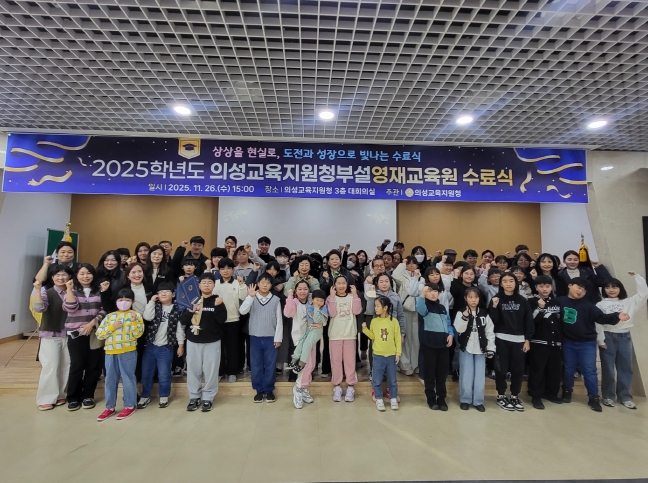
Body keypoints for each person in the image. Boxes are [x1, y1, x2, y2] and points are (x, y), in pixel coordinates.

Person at [558, 277, 628, 411]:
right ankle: (567, 391)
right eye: (578, 287)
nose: (580, 291)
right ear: (570, 285)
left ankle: (593, 397)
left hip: (587, 343)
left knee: (589, 370)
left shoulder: (589, 306)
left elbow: (602, 318)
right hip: (568, 342)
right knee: (568, 369)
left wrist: (616, 316)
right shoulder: (560, 301)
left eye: (583, 290)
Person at [596, 272, 648, 409]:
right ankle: (608, 396)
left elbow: (643, 294)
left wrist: (638, 278)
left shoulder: (628, 302)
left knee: (625, 368)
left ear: (620, 288)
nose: (611, 290)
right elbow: (598, 323)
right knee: (608, 368)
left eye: (615, 287)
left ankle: (625, 397)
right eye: (608, 287)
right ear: (604, 290)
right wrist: (600, 340)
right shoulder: (600, 304)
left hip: (625, 337)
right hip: (608, 336)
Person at [95, 288, 145, 421]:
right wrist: (112, 327)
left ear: (132, 302)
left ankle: (130, 405)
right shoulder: (110, 316)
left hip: (128, 351)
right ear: (116, 301)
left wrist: (134, 322)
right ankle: (109, 407)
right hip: (110, 352)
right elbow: (99, 334)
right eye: (121, 300)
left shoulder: (136, 315)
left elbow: (138, 334)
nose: (123, 302)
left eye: (127, 300)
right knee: (110, 380)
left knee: (128, 379)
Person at [180, 272, 227, 412]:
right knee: (193, 370)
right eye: (204, 282)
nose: (207, 285)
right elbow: (182, 320)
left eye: (210, 282)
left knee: (211, 371)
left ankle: (208, 398)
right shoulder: (192, 300)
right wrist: (191, 311)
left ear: (214, 285)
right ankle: (194, 397)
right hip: (193, 341)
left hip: (212, 341)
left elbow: (222, 320)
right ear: (199, 285)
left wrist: (218, 307)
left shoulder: (217, 300)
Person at [63, 263, 106, 411]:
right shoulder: (72, 290)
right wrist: (69, 289)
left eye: (88, 273)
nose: (85, 276)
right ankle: (73, 397)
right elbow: (70, 308)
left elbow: (104, 309)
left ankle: (88, 396)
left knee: (93, 366)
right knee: (77, 365)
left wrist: (92, 324)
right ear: (76, 275)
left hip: (95, 333)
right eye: (82, 273)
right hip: (76, 334)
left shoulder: (99, 290)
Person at [488, 272, 533, 412]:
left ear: (516, 283)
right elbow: (491, 321)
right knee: (501, 369)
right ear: (501, 284)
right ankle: (501, 395)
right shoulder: (496, 299)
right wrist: (494, 307)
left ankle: (514, 395)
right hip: (501, 339)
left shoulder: (522, 300)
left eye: (511, 281)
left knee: (517, 370)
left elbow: (528, 321)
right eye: (505, 281)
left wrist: (527, 339)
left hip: (519, 340)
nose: (508, 283)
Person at [31, 265, 74, 410]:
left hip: (69, 334)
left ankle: (61, 394)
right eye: (57, 275)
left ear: (70, 277)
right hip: (50, 334)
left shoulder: (73, 292)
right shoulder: (47, 292)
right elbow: (39, 308)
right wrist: (38, 290)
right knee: (51, 366)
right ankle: (46, 398)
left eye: (64, 275)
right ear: (52, 277)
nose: (61, 278)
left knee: (66, 365)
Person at [138, 282, 186, 409]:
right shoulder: (155, 306)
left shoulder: (178, 309)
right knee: (146, 373)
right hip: (150, 345)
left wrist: (181, 345)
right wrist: (151, 302)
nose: (163, 293)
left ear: (173, 294)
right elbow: (147, 317)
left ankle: (164, 395)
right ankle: (145, 395)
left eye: (167, 291)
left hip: (166, 347)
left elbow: (180, 329)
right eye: (160, 292)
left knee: (164, 374)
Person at [240, 273, 283, 403]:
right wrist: (250, 297)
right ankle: (259, 390)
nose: (265, 285)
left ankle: (269, 390)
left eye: (268, 283)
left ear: (271, 285)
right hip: (255, 337)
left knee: (270, 365)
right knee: (256, 365)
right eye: (262, 282)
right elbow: (242, 311)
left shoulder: (275, 300)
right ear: (258, 284)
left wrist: (278, 338)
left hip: (271, 337)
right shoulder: (252, 297)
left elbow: (279, 320)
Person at [454, 287, 495, 412]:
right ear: (465, 299)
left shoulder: (484, 314)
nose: (473, 300)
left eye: (476, 297)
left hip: (480, 349)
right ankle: (465, 400)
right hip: (466, 348)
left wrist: (490, 348)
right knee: (466, 375)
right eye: (470, 297)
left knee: (479, 377)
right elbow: (459, 329)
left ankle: (478, 401)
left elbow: (490, 332)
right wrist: (465, 318)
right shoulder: (461, 312)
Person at [527, 276, 563, 410]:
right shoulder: (531, 302)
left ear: (551, 287)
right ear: (536, 288)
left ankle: (551, 393)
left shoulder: (556, 302)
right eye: (541, 286)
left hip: (555, 342)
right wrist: (540, 308)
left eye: (547, 286)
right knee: (538, 370)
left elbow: (560, 321)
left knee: (554, 369)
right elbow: (531, 321)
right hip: (538, 341)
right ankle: (536, 396)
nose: (544, 289)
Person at [326, 275, 362, 402]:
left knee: (350, 361)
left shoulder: (352, 297)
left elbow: (357, 311)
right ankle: (337, 386)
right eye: (338, 283)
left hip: (350, 334)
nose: (341, 286)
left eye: (343, 283)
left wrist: (355, 295)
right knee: (335, 361)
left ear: (347, 285)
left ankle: (351, 386)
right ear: (334, 285)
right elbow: (332, 313)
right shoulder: (330, 298)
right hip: (335, 335)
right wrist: (331, 297)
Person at [417, 283, 453, 411]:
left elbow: (448, 323)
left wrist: (451, 334)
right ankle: (431, 398)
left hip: (443, 346)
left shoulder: (442, 308)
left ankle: (441, 398)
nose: (433, 294)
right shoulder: (424, 306)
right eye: (430, 291)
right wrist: (422, 294)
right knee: (430, 374)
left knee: (442, 374)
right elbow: (420, 308)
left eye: (435, 291)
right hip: (429, 345)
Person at [284, 282, 321, 409]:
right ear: (295, 291)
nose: (302, 291)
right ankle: (298, 388)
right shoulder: (294, 302)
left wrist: (320, 324)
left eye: (305, 289)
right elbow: (288, 313)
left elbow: (320, 316)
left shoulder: (312, 302)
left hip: (312, 337)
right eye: (299, 289)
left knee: (311, 364)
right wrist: (289, 297)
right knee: (304, 365)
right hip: (299, 339)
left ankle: (303, 387)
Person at [363, 296, 402, 411]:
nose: (375, 308)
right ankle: (379, 398)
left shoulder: (394, 321)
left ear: (385, 308)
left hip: (391, 355)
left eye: (377, 306)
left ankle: (393, 398)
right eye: (375, 306)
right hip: (378, 355)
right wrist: (365, 329)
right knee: (377, 378)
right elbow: (373, 336)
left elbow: (397, 338)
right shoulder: (374, 321)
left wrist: (398, 353)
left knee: (392, 379)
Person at [212, 257, 248, 383]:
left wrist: (242, 284)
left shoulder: (238, 283)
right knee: (218, 348)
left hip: (233, 320)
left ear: (233, 269)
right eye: (222, 269)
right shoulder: (215, 283)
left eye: (228, 268)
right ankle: (220, 371)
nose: (226, 271)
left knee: (233, 347)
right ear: (219, 270)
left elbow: (244, 297)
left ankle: (232, 372)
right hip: (217, 321)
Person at [392, 256, 423, 375]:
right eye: (408, 263)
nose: (411, 265)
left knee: (416, 339)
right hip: (404, 310)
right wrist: (402, 263)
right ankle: (405, 365)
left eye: (414, 263)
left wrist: (416, 277)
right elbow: (395, 275)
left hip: (416, 311)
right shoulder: (402, 277)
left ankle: (415, 364)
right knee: (404, 338)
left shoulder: (421, 278)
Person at [288, 290, 328, 374]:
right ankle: (294, 360)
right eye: (317, 300)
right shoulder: (310, 307)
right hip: (308, 328)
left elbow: (317, 320)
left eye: (321, 301)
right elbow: (309, 318)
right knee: (301, 341)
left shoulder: (323, 309)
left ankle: (301, 364)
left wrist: (316, 309)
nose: (319, 303)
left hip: (316, 331)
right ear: (312, 300)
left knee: (307, 344)